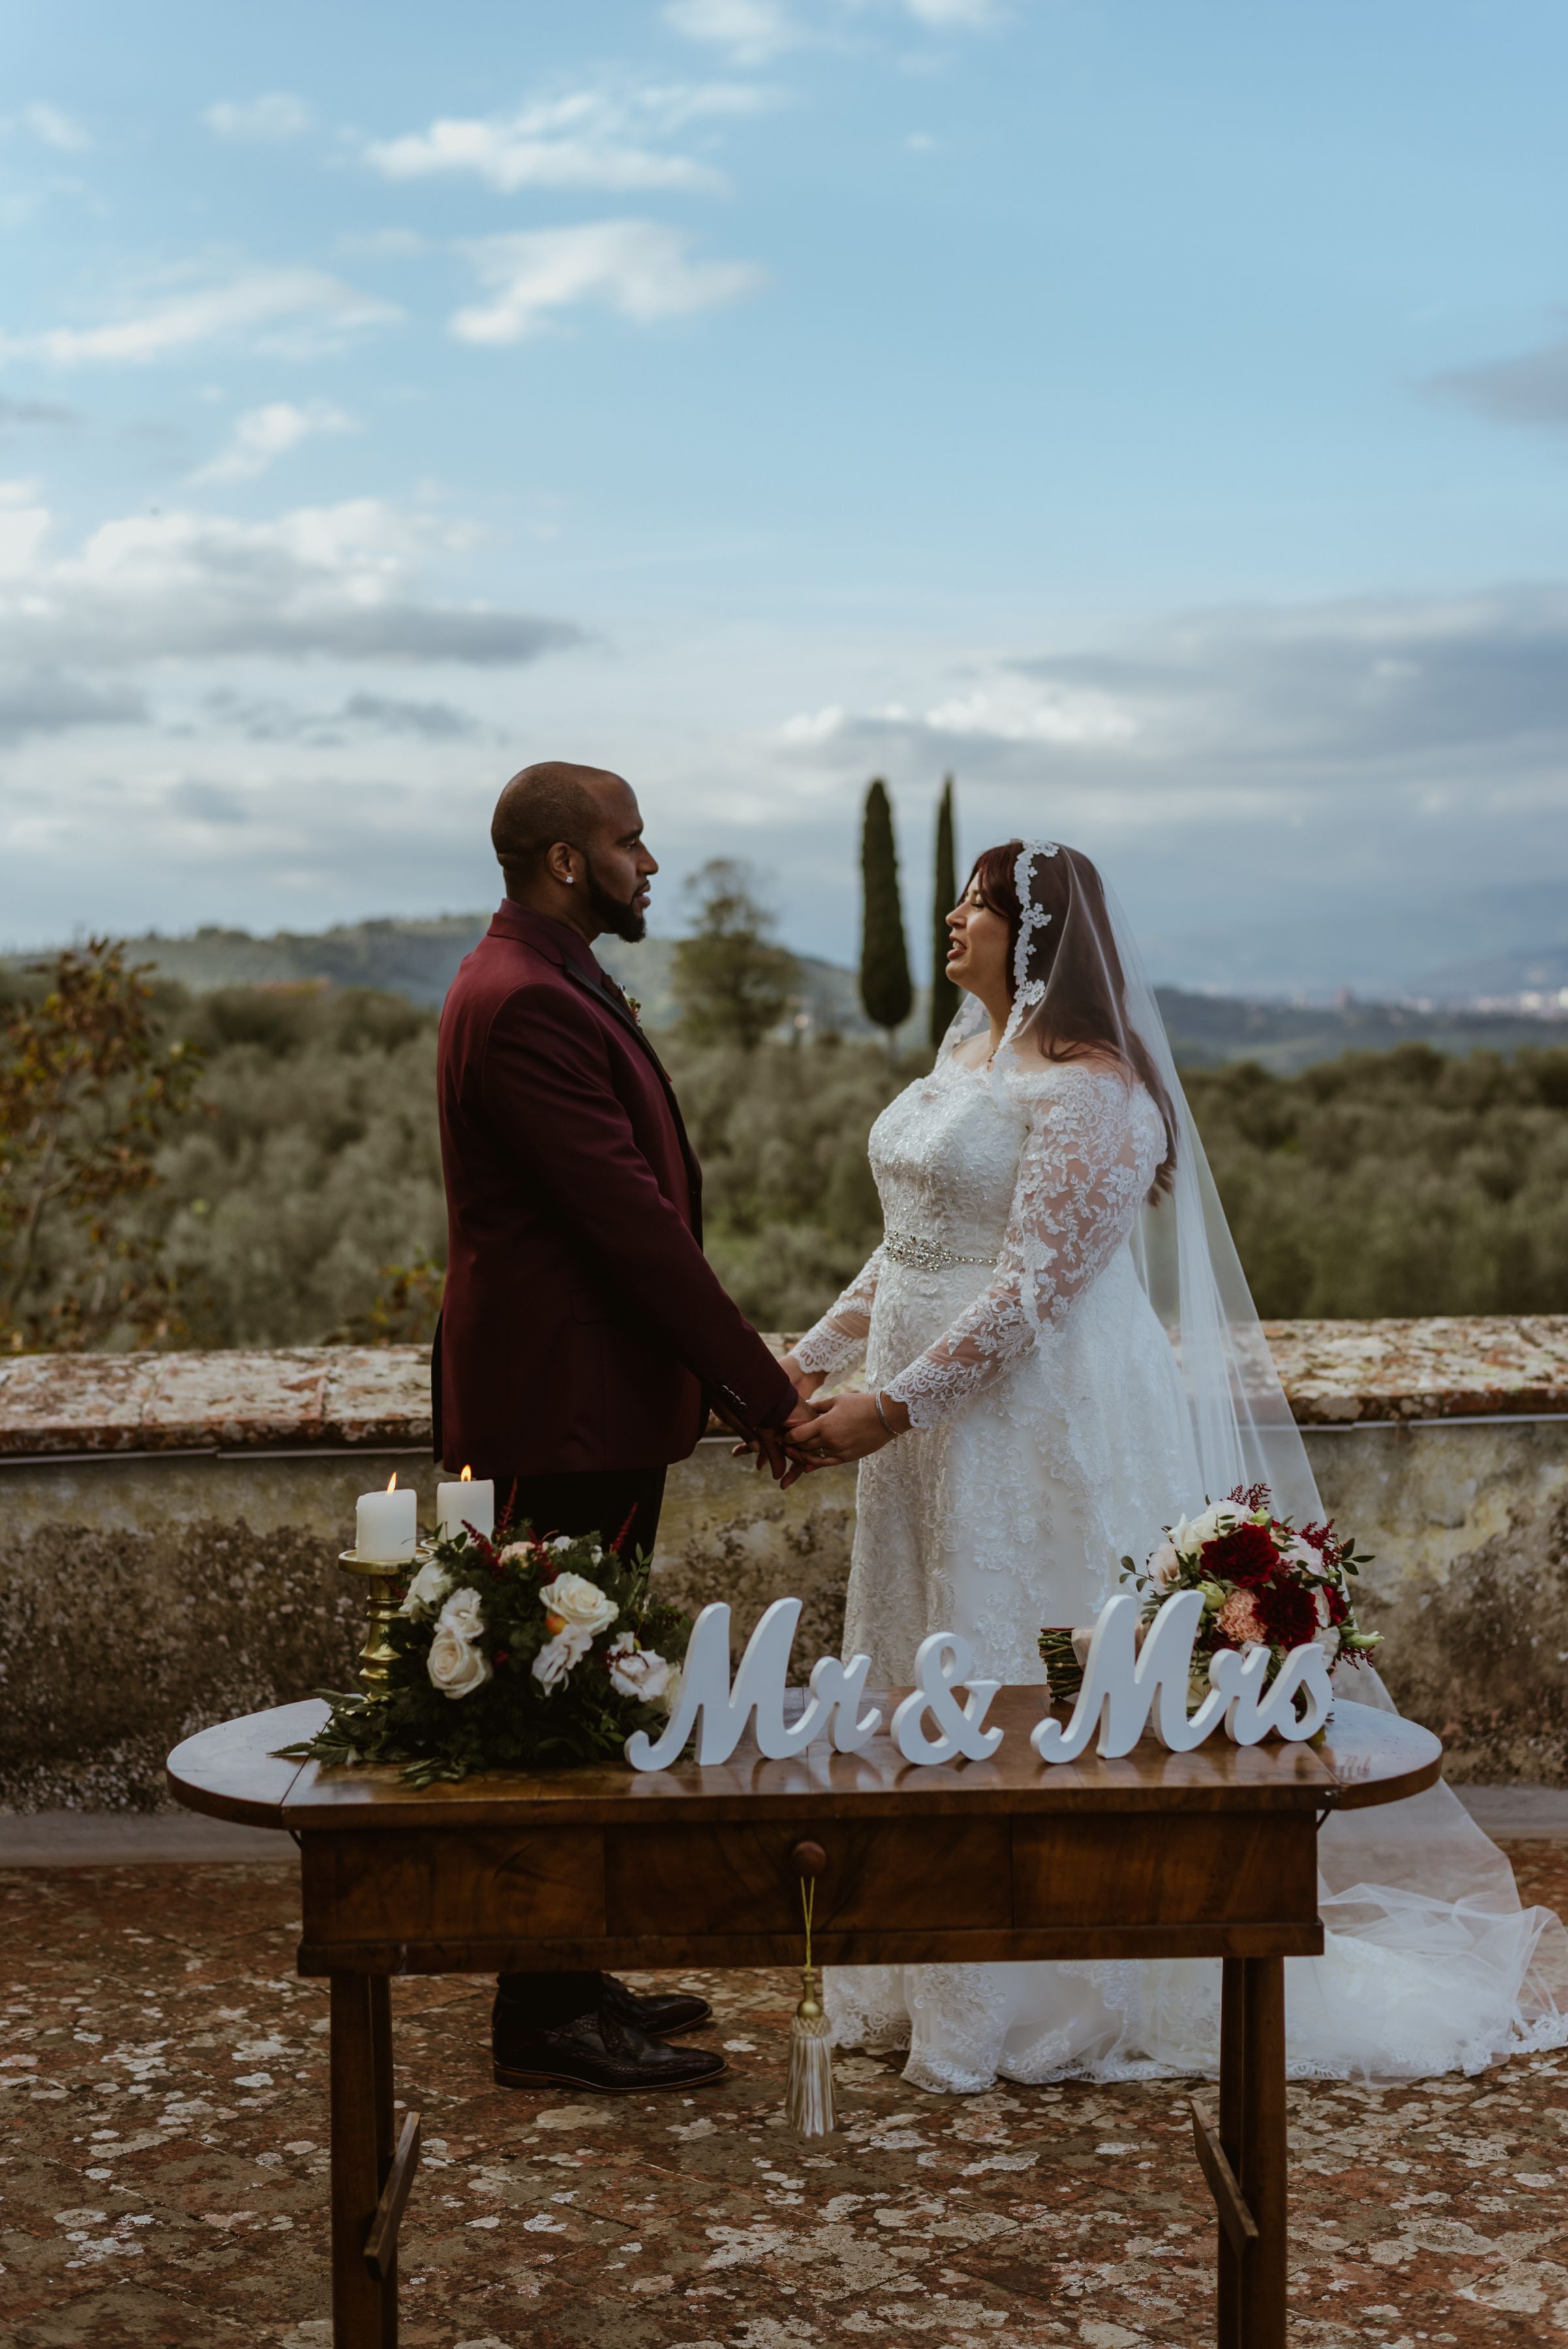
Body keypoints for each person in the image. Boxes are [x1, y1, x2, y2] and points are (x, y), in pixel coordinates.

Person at [784, 837, 1568, 2090]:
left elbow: (1034, 1291)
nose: (952, 916)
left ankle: (1024, 1992)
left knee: (1021, 1673)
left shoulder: (1095, 1090)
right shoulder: (965, 1057)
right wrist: (809, 1365)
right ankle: (916, 1957)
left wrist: (894, 1405)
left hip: (1026, 1425)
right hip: (921, 1426)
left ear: (1035, 938)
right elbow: (911, 1248)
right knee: (921, 1661)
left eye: (977, 904)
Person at [434, 758, 812, 2095]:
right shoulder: (525, 1001)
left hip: (584, 1402)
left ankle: (569, 1971)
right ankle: (540, 2021)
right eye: (629, 843)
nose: (649, 864)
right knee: (554, 1696)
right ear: (561, 860)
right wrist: (762, 1393)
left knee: (582, 1689)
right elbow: (627, 1230)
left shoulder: (546, 977)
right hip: (562, 1409)